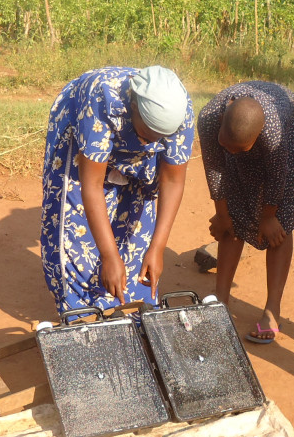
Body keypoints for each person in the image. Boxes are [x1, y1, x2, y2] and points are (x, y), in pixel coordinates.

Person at [40, 65, 194, 314]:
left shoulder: (180, 112)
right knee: (74, 219)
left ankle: (128, 302)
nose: (152, 143)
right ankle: (82, 309)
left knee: (137, 217)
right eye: (147, 134)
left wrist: (157, 248)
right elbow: (91, 185)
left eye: (159, 138)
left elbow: (173, 181)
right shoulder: (101, 100)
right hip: (80, 128)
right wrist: (110, 256)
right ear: (133, 107)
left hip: (132, 127)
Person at [197, 81, 294, 343]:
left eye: (240, 150)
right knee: (232, 218)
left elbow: (277, 177)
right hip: (243, 131)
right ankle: (220, 301)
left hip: (289, 130)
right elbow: (214, 167)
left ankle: (272, 311)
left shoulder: (277, 131)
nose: (232, 153)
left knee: (281, 222)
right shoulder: (209, 119)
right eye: (227, 146)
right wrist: (222, 214)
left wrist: (268, 217)